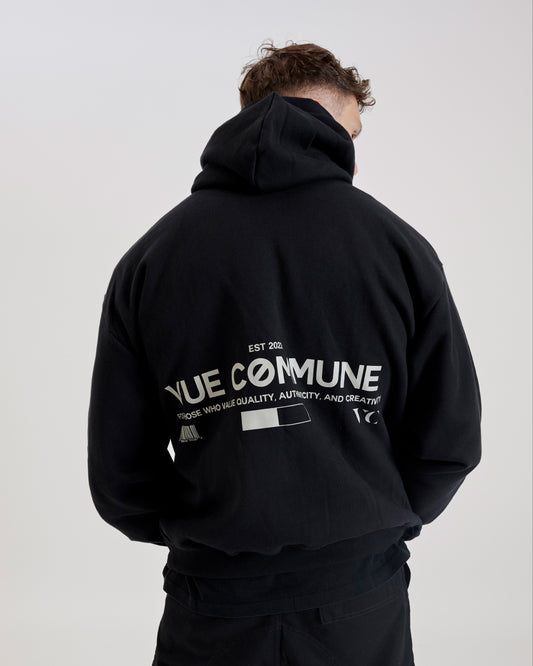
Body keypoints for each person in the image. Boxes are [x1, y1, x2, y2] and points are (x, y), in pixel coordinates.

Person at [87, 39, 483, 666]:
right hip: (358, 597)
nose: (352, 158)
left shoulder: (151, 258)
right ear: (326, 127)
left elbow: (120, 473)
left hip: (211, 600)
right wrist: (372, 521)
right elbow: (450, 439)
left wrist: (204, 532)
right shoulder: (397, 247)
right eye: (347, 135)